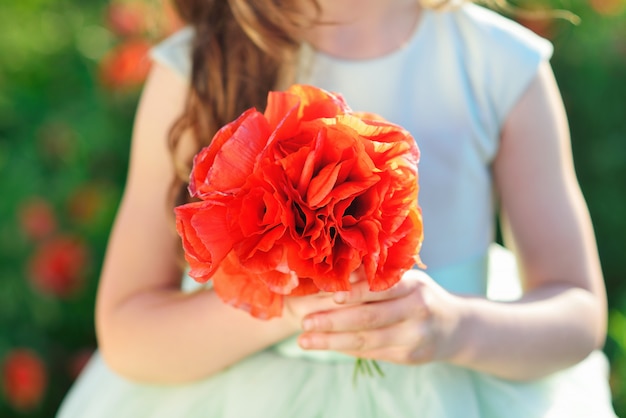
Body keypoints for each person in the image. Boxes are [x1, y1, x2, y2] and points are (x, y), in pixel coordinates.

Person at [57, 0, 617, 416]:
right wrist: (290, 301)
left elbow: (577, 310)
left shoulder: (498, 64)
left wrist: (453, 326)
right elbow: (129, 331)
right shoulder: (196, 70)